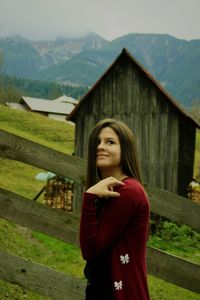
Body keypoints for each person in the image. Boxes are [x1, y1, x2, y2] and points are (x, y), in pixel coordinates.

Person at [80, 118, 150, 300]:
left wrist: (88, 198)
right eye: (97, 142)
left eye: (110, 142)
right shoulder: (111, 191)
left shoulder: (129, 192)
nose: (100, 147)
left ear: (125, 150)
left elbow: (90, 249)